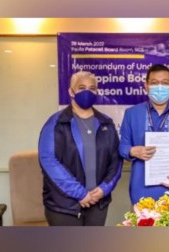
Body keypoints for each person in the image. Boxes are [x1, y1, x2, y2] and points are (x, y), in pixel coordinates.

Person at [38, 71, 122, 226]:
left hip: (98, 204)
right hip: (64, 207)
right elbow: (48, 160)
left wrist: (104, 189)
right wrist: (80, 194)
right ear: (71, 91)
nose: (87, 92)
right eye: (81, 87)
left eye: (92, 88)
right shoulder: (56, 123)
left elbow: (116, 160)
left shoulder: (106, 123)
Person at [119, 64, 169, 204]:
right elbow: (122, 145)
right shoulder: (131, 113)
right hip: (140, 193)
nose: (160, 87)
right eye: (154, 83)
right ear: (146, 85)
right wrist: (132, 151)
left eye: (165, 83)